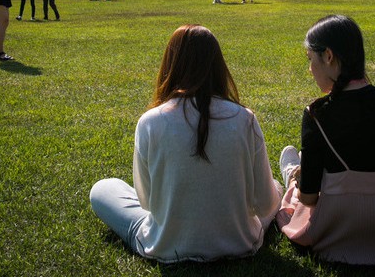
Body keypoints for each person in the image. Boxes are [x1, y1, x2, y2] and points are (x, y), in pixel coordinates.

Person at [90, 24, 282, 263]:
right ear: (217, 66)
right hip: (240, 241)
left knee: (103, 189)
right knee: (274, 187)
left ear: (170, 65)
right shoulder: (244, 119)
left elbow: (147, 202)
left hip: (165, 244)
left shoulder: (150, 121)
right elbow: (266, 205)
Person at [276, 15, 375, 265]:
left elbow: (309, 199)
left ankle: (292, 174)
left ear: (329, 56)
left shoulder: (317, 114)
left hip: (339, 230)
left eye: (310, 60)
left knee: (294, 194)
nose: (310, 69)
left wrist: (304, 182)